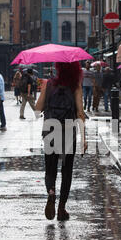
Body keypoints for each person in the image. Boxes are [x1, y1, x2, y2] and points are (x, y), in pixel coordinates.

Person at [35, 61, 87, 221]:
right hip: (68, 130)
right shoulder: (75, 86)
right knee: (67, 171)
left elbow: (37, 109)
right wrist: (84, 139)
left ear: (58, 68)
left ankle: (51, 191)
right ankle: (61, 208)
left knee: (50, 169)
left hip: (50, 129)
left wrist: (46, 106)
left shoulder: (49, 84)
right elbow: (80, 114)